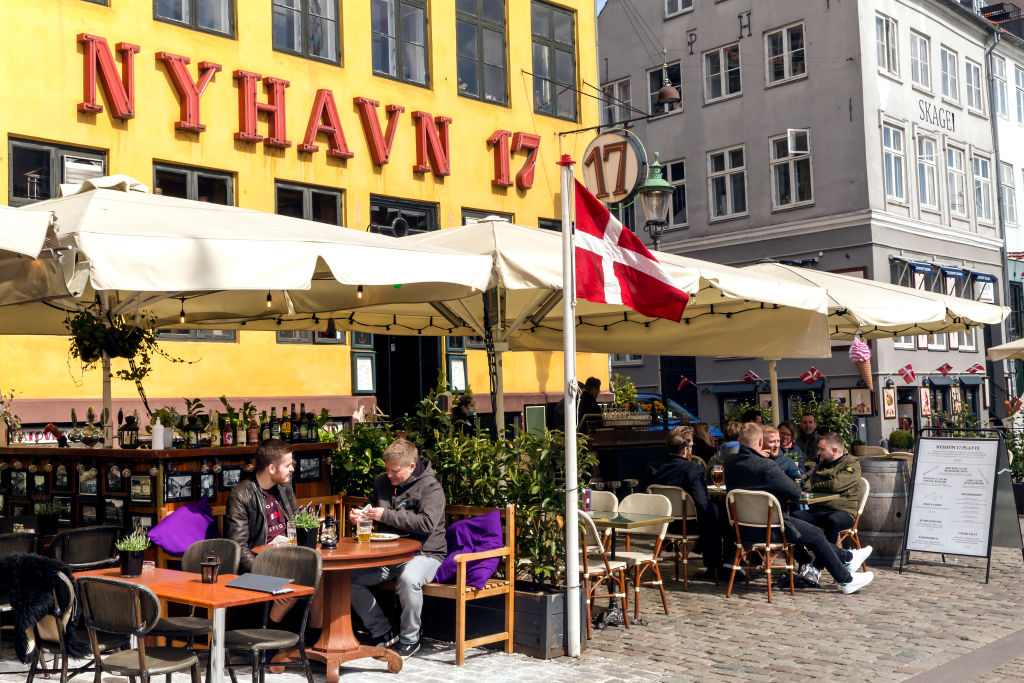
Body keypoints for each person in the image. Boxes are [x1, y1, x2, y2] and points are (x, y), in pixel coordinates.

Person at [723, 423, 873, 594]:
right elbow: (795, 492)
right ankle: (847, 579)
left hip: (741, 530)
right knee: (815, 534)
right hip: (771, 530)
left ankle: (847, 558)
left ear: (740, 441)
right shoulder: (766, 466)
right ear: (759, 442)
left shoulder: (730, 464)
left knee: (807, 529)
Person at [349, 438, 447, 659]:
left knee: (409, 579)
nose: (389, 475)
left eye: (395, 471)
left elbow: (426, 524)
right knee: (347, 579)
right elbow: (370, 508)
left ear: (412, 467)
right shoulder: (382, 482)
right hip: (388, 554)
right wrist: (360, 515)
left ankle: (410, 639)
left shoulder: (431, 488)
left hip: (425, 553)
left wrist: (386, 515)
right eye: (387, 469)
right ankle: (382, 632)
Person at [639, 426, 725, 579]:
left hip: (663, 524)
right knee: (715, 513)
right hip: (687, 525)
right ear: (685, 449)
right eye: (691, 446)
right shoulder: (692, 469)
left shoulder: (653, 468)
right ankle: (716, 566)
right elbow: (702, 502)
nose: (692, 449)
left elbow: (643, 497)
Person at [226, 438, 298, 572]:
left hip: (290, 557)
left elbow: (297, 520)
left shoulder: (284, 486)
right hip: (263, 563)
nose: (292, 469)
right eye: (288, 465)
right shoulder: (241, 495)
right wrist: (262, 570)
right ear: (271, 468)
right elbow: (239, 547)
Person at [792, 433, 863, 549]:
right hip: (819, 509)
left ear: (834, 450)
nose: (818, 452)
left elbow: (836, 485)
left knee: (832, 520)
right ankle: (805, 559)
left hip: (843, 511)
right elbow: (807, 487)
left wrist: (817, 486)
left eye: (821, 449)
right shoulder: (821, 464)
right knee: (793, 518)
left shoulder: (851, 463)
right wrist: (821, 486)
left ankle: (822, 562)